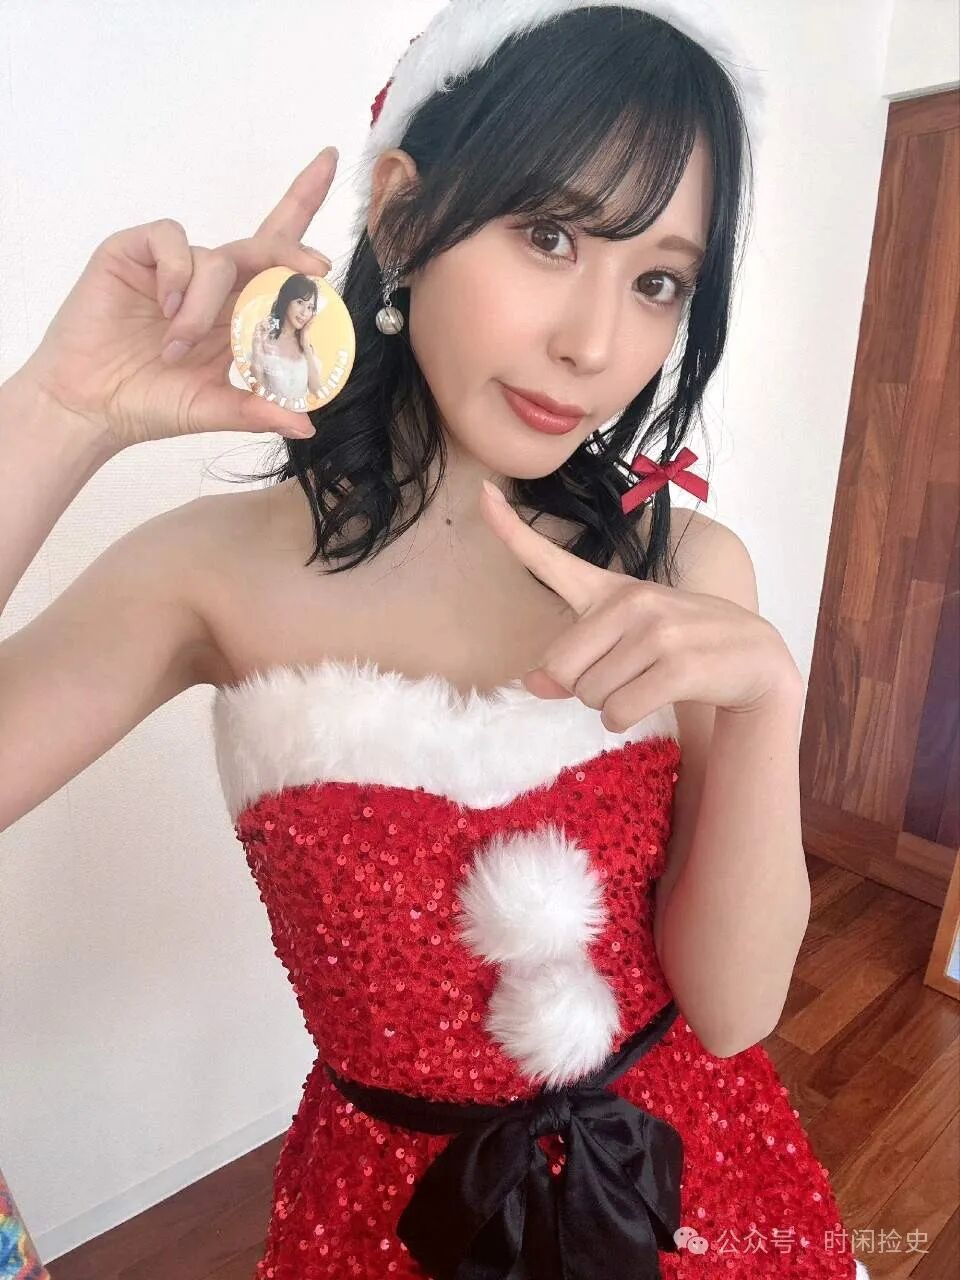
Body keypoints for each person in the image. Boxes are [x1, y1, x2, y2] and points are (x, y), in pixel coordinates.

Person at [0, 2, 872, 1277]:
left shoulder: (686, 567)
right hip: (383, 1221)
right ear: (404, 217)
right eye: (550, 233)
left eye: (657, 281)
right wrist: (61, 408)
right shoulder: (208, 572)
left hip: (694, 1182)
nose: (594, 344)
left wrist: (767, 707)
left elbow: (734, 1012)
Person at [249, 273, 324, 407]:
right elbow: (257, 389)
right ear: (286, 300)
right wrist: (257, 346)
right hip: (266, 414)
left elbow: (317, 393)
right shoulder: (265, 338)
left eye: (310, 307)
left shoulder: (307, 348)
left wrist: (305, 344)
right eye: (300, 302)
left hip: (299, 416)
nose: (304, 313)